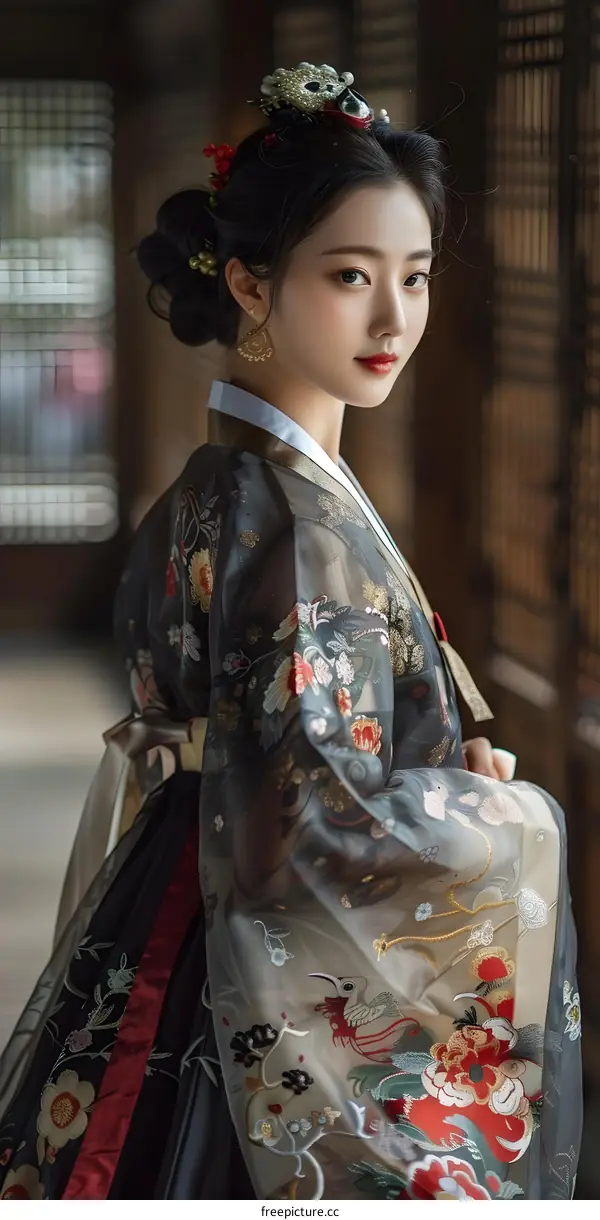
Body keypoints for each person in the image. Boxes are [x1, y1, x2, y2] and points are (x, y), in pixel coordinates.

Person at [0, 61, 581, 1202]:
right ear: (253, 285)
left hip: (177, 890)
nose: (394, 319)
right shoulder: (294, 526)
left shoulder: (223, 484)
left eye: (414, 276)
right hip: (248, 949)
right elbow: (304, 834)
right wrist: (504, 812)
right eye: (350, 275)